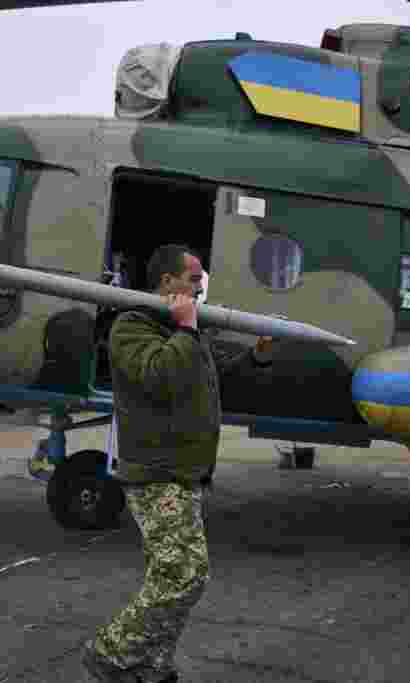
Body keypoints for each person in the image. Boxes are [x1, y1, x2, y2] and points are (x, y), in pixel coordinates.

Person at [81, 244, 275, 683]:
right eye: (192, 278)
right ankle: (111, 651)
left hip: (184, 474)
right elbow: (158, 376)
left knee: (172, 576)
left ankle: (152, 666)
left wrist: (256, 357)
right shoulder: (131, 326)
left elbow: (209, 375)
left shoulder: (184, 330)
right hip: (156, 474)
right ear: (167, 282)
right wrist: (186, 331)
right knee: (186, 575)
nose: (200, 284)